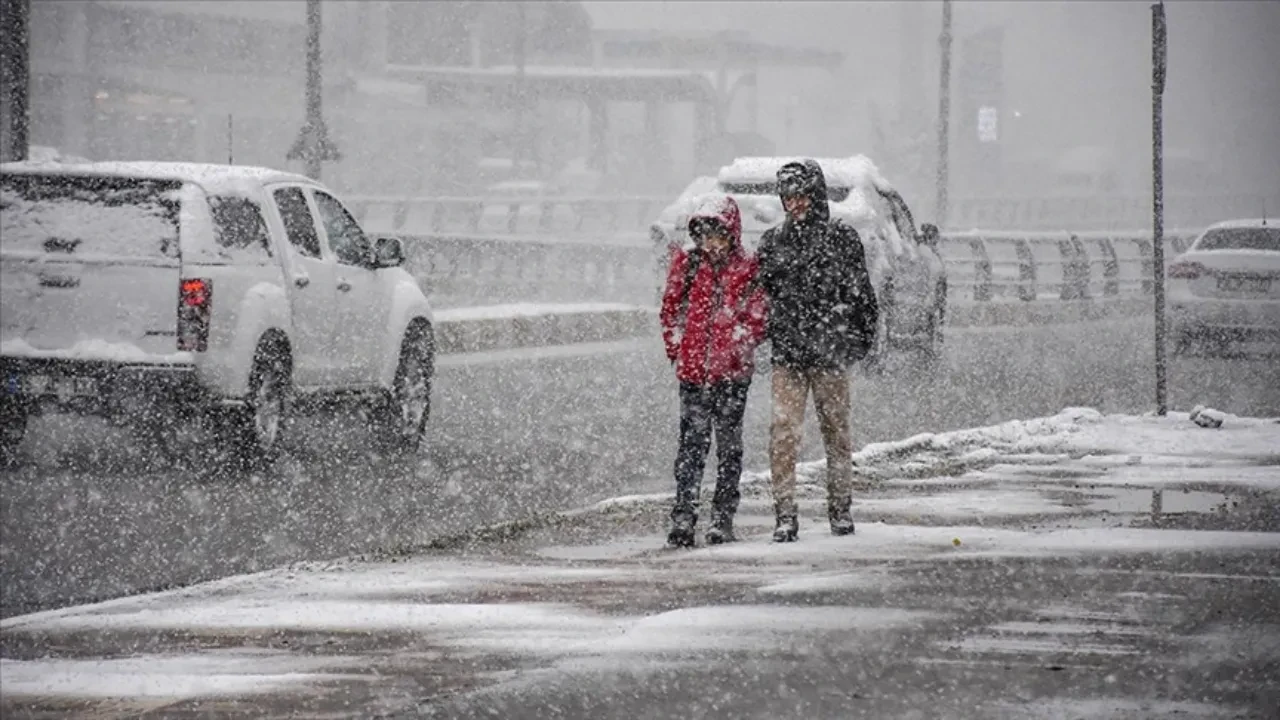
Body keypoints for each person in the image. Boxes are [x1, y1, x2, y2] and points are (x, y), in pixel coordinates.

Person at [756, 159, 879, 542]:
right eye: (788, 197)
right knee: (783, 433)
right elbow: (762, 297)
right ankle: (785, 514)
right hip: (789, 355)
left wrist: (855, 344)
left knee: (836, 433)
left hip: (828, 354)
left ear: (815, 195)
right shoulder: (773, 242)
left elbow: (862, 296)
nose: (795, 204)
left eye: (801, 195)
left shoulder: (841, 238)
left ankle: (840, 509)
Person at [659, 193, 768, 548]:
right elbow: (670, 310)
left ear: (731, 233)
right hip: (693, 375)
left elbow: (757, 317)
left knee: (728, 448)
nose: (711, 243)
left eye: (718, 235)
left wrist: (735, 349)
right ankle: (684, 515)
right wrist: (679, 347)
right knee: (690, 448)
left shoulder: (748, 268)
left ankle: (723, 517)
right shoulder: (689, 265)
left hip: (732, 377)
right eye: (704, 236)